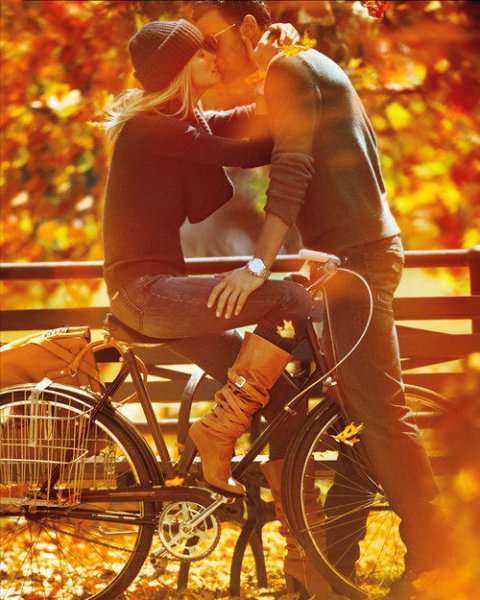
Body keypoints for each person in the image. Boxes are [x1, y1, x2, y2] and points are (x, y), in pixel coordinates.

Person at [191, 1, 448, 598]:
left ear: (247, 28)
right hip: (346, 258)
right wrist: (174, 115)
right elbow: (246, 137)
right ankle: (339, 563)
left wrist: (258, 265)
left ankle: (439, 554)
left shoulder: (291, 69)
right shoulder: (299, 66)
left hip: (356, 261)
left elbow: (292, 170)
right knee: (358, 413)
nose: (209, 55)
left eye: (211, 40)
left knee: (380, 413)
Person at [101, 19, 317, 503]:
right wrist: (278, 88)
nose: (213, 59)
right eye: (200, 54)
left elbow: (251, 123)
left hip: (161, 295)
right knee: (289, 298)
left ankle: (301, 531)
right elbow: (254, 149)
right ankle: (216, 433)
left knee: (283, 399)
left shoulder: (182, 123)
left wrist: (270, 71)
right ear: (177, 68)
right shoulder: (151, 129)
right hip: (146, 296)